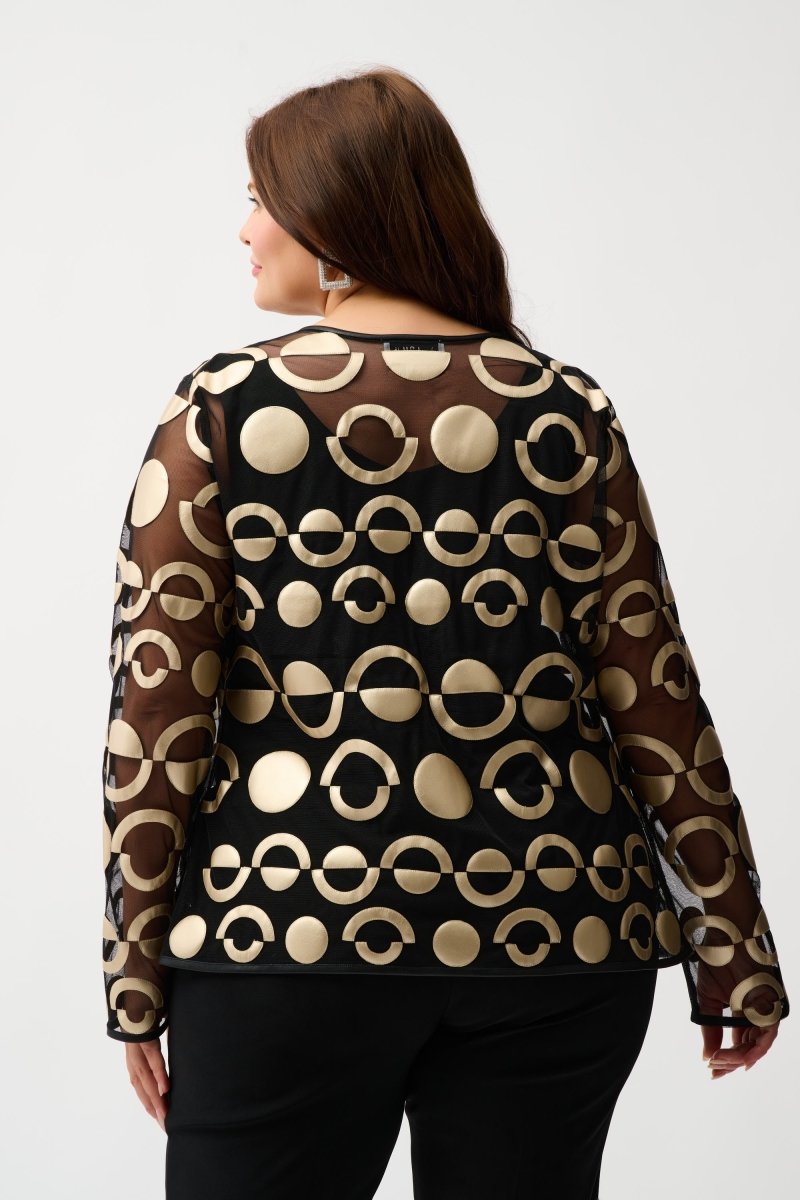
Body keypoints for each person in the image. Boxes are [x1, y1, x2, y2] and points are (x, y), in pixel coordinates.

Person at [101, 66, 790, 1200]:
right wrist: (732, 944)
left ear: (334, 216)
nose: (244, 229)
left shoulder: (222, 413)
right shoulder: (565, 411)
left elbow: (157, 710)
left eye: (260, 199)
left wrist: (134, 975)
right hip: (560, 937)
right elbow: (653, 693)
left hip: (289, 934)